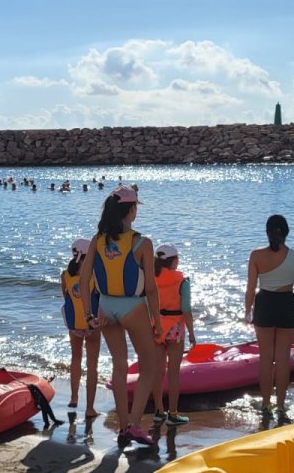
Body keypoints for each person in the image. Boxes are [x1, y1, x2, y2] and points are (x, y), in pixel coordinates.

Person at [79, 184, 161, 448]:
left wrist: (89, 315)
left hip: (105, 307)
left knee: (119, 365)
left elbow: (84, 278)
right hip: (132, 307)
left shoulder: (98, 240)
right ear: (132, 210)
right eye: (136, 207)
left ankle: (124, 426)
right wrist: (158, 321)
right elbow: (151, 288)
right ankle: (134, 426)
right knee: (149, 366)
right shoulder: (142, 243)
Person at [245, 214, 294, 418]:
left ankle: (265, 404)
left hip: (264, 303)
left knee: (265, 359)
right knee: (282, 360)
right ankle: (280, 405)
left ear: (267, 232)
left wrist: (247, 311)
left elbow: (251, 288)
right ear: (286, 233)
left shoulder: (256, 255)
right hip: (287, 304)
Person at [152, 243, 196, 426]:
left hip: (155, 327)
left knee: (158, 371)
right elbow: (186, 310)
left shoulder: (151, 279)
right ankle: (173, 414)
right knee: (173, 372)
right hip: (175, 329)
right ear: (174, 261)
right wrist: (192, 333)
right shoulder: (182, 282)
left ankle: (158, 411)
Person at [61, 238, 101, 417]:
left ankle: (74, 397)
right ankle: (90, 408)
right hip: (92, 323)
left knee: (75, 358)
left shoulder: (65, 275)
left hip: (74, 325)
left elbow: (66, 297)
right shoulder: (94, 275)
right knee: (92, 365)